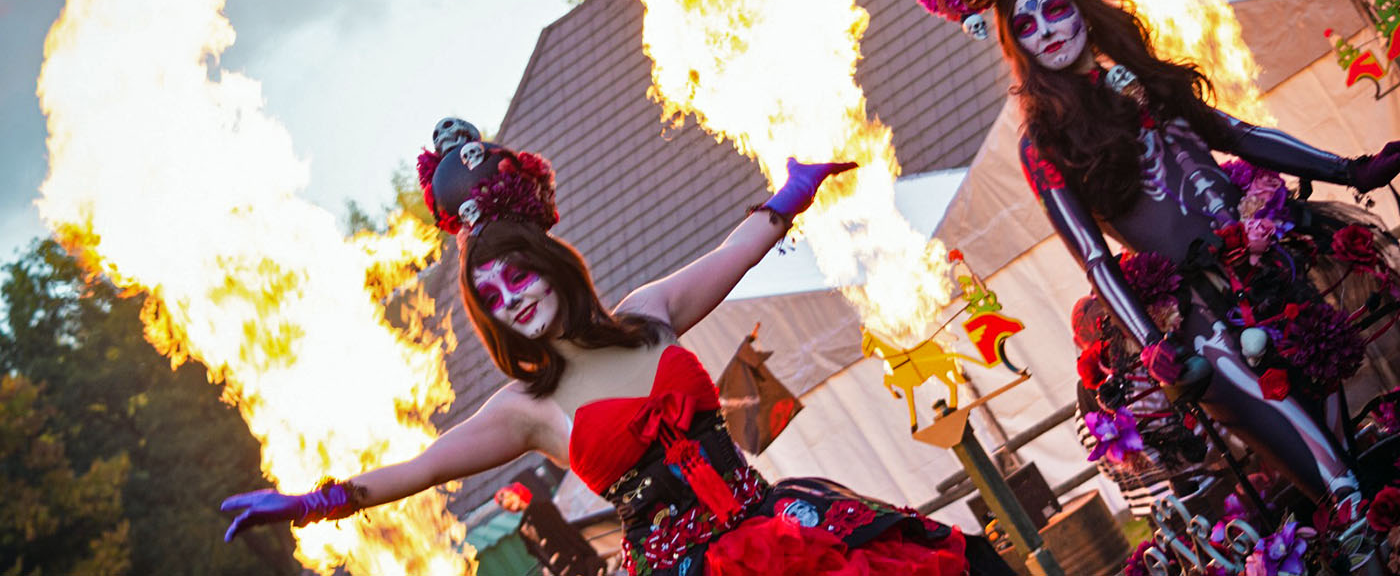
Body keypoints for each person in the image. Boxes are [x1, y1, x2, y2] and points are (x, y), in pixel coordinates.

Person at [221, 122, 1014, 576]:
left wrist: (792, 191)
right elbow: (418, 469)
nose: (512, 301)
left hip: (780, 524)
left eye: (515, 277)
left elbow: (732, 255)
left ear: (548, 265)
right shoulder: (525, 411)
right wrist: (310, 503)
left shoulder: (648, 315)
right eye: (491, 300)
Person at [969, 0, 1400, 571]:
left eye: (1056, 9)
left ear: (1082, 11)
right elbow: (1092, 255)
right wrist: (1149, 342)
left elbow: (1237, 133)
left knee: (1352, 453)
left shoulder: (1147, 81)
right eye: (1027, 27)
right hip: (1201, 321)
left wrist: (1349, 169)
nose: (1049, 31)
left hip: (1272, 273)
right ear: (1018, 48)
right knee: (1332, 479)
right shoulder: (1044, 140)